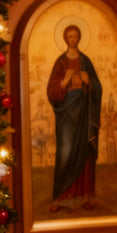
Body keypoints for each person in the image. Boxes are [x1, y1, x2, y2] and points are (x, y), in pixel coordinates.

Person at [46, 24, 102, 212]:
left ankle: (87, 196)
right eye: (69, 36)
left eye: (75, 36)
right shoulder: (60, 62)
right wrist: (63, 82)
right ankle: (60, 198)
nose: (72, 39)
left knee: (85, 151)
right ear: (65, 39)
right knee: (66, 152)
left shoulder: (86, 61)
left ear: (79, 38)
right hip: (67, 115)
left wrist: (89, 82)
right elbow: (51, 91)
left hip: (84, 112)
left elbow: (97, 87)